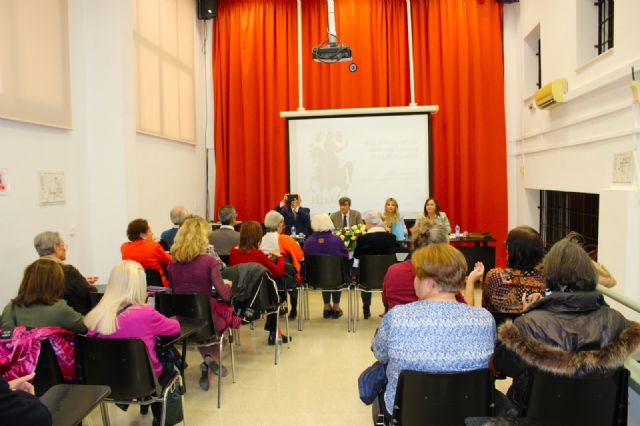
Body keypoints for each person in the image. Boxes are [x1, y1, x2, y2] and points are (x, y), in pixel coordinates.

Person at [492, 239, 640, 414]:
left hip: (538, 416)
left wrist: (526, 317)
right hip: (596, 417)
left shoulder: (529, 324)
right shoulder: (617, 320)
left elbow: (503, 366)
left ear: (552, 276)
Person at [371, 243, 495, 421]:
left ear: (429, 284)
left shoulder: (396, 317)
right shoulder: (484, 319)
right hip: (468, 416)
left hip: (408, 414)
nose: (413, 281)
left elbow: (380, 354)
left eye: (416, 276)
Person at [168, 215, 236, 390]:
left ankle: (207, 363)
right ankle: (210, 362)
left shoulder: (172, 263)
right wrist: (230, 286)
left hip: (183, 323)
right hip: (207, 321)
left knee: (203, 329)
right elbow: (225, 295)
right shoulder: (208, 261)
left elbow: (176, 292)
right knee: (223, 318)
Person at [84, 261, 179, 379]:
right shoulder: (145, 313)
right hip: (143, 379)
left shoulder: (96, 314)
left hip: (105, 379)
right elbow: (175, 329)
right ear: (140, 285)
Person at [382, 221, 483, 311]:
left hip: (399, 329)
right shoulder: (444, 272)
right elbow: (467, 313)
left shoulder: (393, 271)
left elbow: (386, 303)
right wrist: (470, 281)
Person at [230, 221, 289, 344]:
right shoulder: (257, 254)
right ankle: (274, 334)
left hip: (238, 296)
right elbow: (279, 272)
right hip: (257, 299)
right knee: (272, 290)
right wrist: (279, 257)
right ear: (257, 237)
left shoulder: (233, 252)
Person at [1, 259, 87, 333]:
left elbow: (5, 339)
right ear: (55, 282)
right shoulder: (59, 310)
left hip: (18, 352)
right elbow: (87, 327)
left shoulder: (10, 309)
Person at [482, 226, 545, 326]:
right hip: (535, 336)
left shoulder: (496, 277)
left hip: (500, 336)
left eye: (507, 246)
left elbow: (485, 310)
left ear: (513, 251)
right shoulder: (546, 280)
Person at [34, 231, 98, 315]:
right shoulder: (67, 271)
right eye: (63, 245)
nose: (65, 249)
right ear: (56, 248)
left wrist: (81, 281)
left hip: (40, 322)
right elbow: (91, 294)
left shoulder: (32, 271)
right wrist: (84, 283)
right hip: (68, 323)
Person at [303, 213, 350, 319]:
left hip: (315, 279)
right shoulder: (337, 240)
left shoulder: (308, 242)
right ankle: (336, 307)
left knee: (322, 271)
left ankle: (326, 307)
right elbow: (345, 255)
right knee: (335, 270)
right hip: (336, 278)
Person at [260, 210, 304, 319]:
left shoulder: (260, 240)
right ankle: (293, 309)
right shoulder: (284, 239)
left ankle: (280, 306)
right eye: (282, 224)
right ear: (279, 224)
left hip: (267, 279)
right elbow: (300, 256)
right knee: (289, 271)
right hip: (286, 279)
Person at [353, 210, 397, 319]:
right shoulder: (391, 238)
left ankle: (366, 309)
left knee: (364, 273)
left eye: (366, 222)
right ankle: (387, 308)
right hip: (387, 278)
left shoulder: (363, 239)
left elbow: (356, 257)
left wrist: (353, 272)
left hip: (367, 279)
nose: (365, 224)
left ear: (371, 223)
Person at [121, 218, 171, 287]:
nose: (152, 233)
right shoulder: (154, 246)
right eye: (149, 231)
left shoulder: (124, 247)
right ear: (142, 235)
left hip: (136, 288)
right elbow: (170, 262)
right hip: (159, 288)